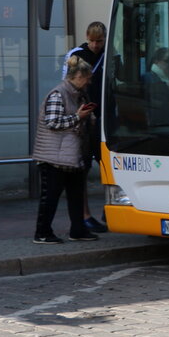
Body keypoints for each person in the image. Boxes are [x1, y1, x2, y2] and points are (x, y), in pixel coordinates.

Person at [32, 55, 99, 244]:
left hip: (73, 154)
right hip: (54, 156)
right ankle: (42, 232)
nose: (89, 81)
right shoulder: (58, 94)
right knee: (50, 197)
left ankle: (78, 230)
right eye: (87, 77)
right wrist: (78, 117)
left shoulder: (80, 94)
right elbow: (52, 122)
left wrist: (89, 117)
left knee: (76, 195)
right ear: (78, 76)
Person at [63, 21, 108, 232]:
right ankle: (85, 214)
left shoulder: (111, 53)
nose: (96, 45)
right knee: (82, 167)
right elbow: (67, 84)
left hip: (105, 115)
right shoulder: (77, 54)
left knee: (108, 164)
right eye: (92, 41)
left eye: (99, 41)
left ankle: (112, 206)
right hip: (84, 116)